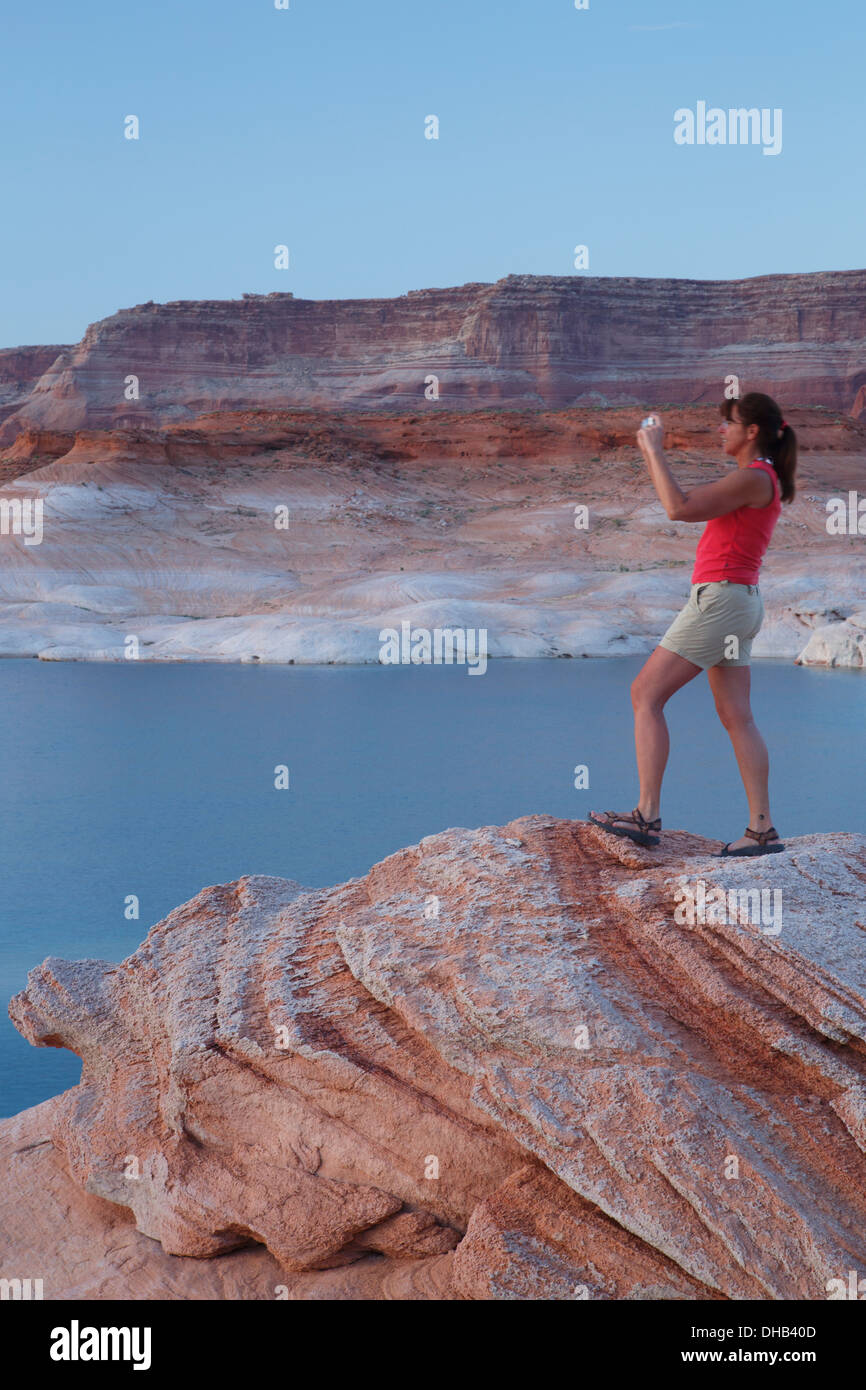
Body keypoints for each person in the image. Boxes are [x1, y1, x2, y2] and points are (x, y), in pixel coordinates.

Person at [589, 392, 797, 856]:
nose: (721, 430)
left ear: (753, 432)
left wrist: (652, 450)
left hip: (721, 600)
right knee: (737, 717)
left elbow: (678, 507)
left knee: (645, 695)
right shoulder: (761, 478)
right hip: (741, 601)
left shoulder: (753, 477)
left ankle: (646, 814)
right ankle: (761, 829)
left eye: (729, 423)